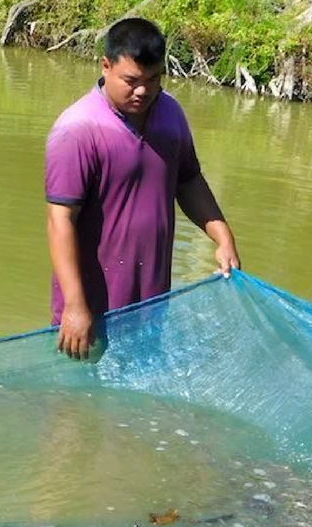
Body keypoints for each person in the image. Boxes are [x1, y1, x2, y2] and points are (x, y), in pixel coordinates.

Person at [45, 17, 241, 360]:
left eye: (153, 80)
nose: (143, 91)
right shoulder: (77, 130)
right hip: (90, 312)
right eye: (131, 80)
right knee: (77, 408)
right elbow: (59, 221)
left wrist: (222, 237)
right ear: (106, 66)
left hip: (150, 305)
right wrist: (75, 308)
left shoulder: (170, 114)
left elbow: (188, 180)